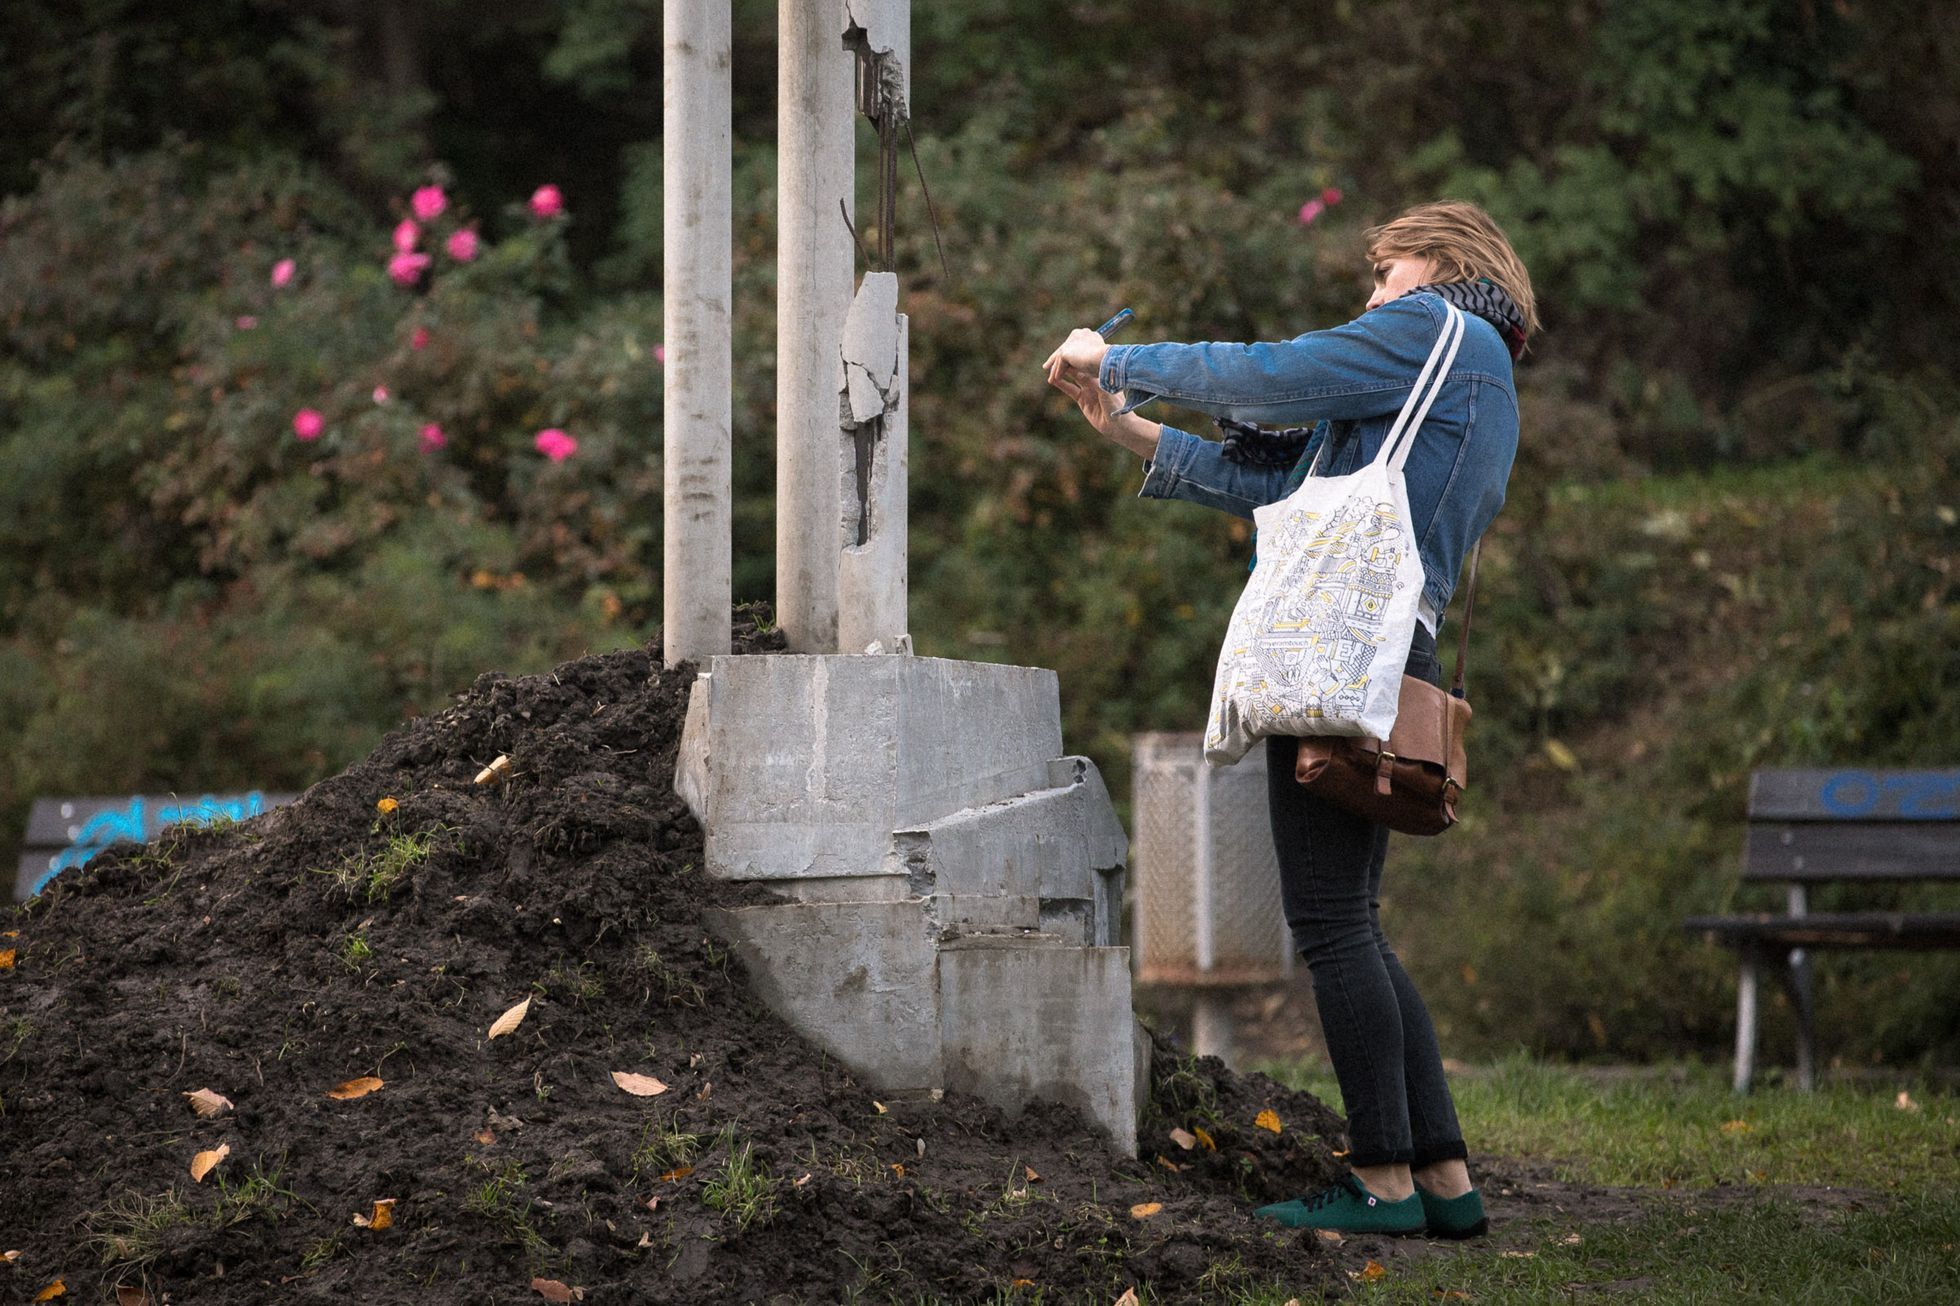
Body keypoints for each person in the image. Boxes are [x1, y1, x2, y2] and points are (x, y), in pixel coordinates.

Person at [1043, 200, 1536, 1239]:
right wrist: (1121, 420)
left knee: (1326, 923)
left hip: (1338, 653)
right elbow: (1276, 486)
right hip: (1390, 649)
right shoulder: (1471, 365)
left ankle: (1382, 1181)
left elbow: (1267, 375)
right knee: (1355, 922)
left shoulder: (1437, 329)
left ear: (1439, 262)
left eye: (1383, 272)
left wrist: (1116, 354)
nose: (1371, 295)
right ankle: (1442, 1177)